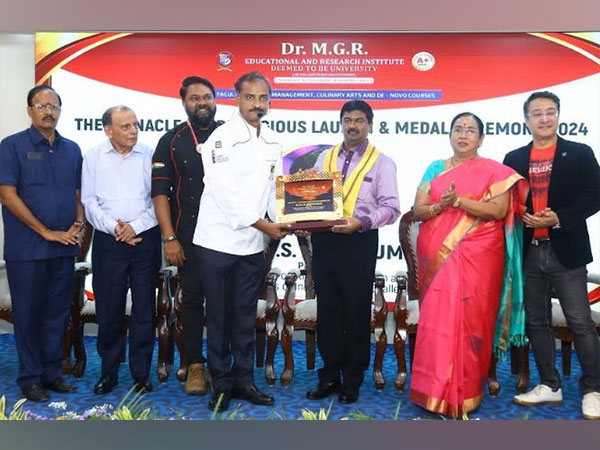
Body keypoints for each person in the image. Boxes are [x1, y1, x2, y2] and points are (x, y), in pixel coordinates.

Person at [408, 112, 528, 417]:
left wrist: (459, 202)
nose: (463, 134)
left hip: (480, 256)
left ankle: (467, 392)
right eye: (458, 129)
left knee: (471, 322)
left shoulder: (494, 172)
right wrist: (441, 206)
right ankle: (432, 392)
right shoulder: (435, 168)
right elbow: (418, 210)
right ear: (449, 134)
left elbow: (498, 210)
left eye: (470, 130)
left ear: (481, 138)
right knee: (438, 323)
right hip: (438, 258)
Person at [193, 71, 289, 412]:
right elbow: (223, 191)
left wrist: (290, 219)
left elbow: (275, 191)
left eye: (264, 99)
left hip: (251, 245)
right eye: (251, 98)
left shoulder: (273, 142)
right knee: (218, 317)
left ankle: (244, 380)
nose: (257, 105)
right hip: (216, 242)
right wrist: (265, 224)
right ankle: (220, 384)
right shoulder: (221, 138)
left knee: (246, 316)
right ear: (237, 98)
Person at [504, 91, 600, 420]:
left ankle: (592, 389)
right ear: (526, 119)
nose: (544, 118)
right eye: (537, 113)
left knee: (581, 323)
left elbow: (595, 195)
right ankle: (549, 384)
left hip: (567, 250)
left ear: (558, 115)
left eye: (550, 112)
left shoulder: (579, 153)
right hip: (529, 252)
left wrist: (559, 217)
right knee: (536, 322)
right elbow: (506, 203)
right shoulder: (514, 157)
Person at [305, 100, 400, 404]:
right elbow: (313, 198)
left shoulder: (382, 162)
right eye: (348, 119)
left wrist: (362, 222)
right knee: (329, 312)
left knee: (356, 312)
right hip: (325, 240)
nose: (353, 125)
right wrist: (304, 218)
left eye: (360, 120)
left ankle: (353, 379)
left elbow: (391, 208)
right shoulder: (324, 158)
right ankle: (330, 375)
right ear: (341, 122)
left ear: (370, 125)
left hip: (359, 241)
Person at [0, 85, 83, 402]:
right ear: (29, 110)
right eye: (41, 105)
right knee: (29, 315)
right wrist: (45, 231)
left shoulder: (72, 149)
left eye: (54, 106)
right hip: (27, 250)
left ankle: (52, 373)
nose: (49, 111)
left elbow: (78, 192)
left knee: (57, 314)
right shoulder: (11, 146)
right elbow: (7, 195)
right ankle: (30, 378)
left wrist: (79, 221)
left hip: (63, 248)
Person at [81, 105, 161, 395]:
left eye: (135, 125)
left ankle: (141, 374)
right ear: (108, 129)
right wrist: (115, 228)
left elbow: (158, 201)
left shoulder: (150, 155)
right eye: (125, 126)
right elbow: (89, 202)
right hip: (108, 241)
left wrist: (134, 227)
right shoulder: (93, 157)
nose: (133, 131)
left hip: (144, 241)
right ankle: (109, 372)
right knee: (109, 308)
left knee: (144, 311)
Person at [152, 76, 223, 395]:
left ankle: (224, 368)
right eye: (194, 98)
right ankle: (195, 366)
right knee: (192, 302)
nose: (202, 103)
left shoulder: (232, 135)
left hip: (228, 238)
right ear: (184, 104)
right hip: (189, 238)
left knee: (226, 304)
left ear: (216, 99)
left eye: (206, 96)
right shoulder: (171, 140)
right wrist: (169, 238)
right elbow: (160, 192)